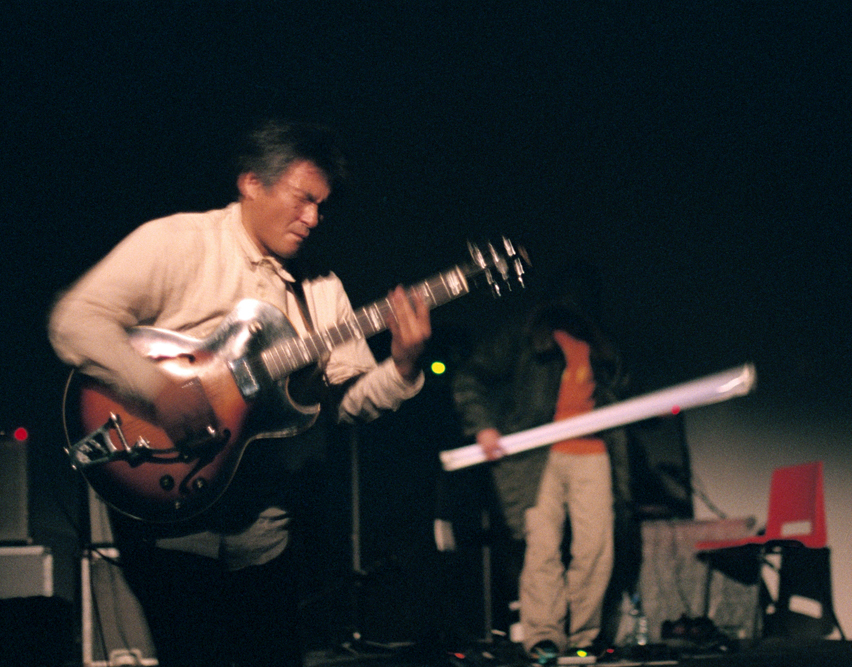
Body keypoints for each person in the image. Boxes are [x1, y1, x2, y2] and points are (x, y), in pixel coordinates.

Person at [49, 119, 432, 667]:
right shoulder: (180, 242)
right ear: (252, 182)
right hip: (168, 506)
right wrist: (157, 389)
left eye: (322, 207)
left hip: (264, 526)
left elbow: (343, 405)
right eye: (303, 200)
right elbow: (74, 320)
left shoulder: (322, 289)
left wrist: (402, 365)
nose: (313, 219)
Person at [452, 293, 634, 664]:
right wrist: (483, 425)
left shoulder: (601, 347)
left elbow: (621, 393)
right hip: (538, 457)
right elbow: (470, 376)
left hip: (593, 454)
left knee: (595, 547)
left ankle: (584, 636)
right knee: (542, 547)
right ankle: (544, 638)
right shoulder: (524, 336)